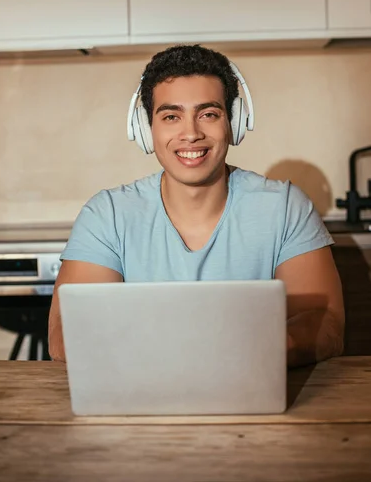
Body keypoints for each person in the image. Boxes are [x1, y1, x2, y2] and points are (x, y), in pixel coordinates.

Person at [48, 44, 345, 366]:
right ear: (146, 129)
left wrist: (240, 354)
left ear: (234, 121)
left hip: (251, 390)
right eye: (172, 116)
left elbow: (325, 322)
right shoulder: (108, 214)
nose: (190, 133)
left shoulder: (285, 207)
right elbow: (65, 336)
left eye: (208, 114)